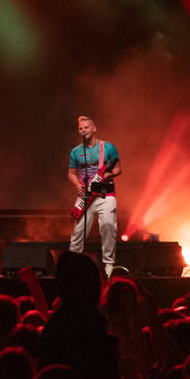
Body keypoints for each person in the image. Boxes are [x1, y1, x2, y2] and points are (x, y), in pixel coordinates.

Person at [67, 116, 121, 276]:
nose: (83, 130)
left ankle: (109, 265)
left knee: (108, 227)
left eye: (86, 127)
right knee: (78, 231)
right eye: (81, 128)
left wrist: (110, 174)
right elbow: (71, 173)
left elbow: (118, 168)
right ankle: (73, 264)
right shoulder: (76, 151)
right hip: (86, 196)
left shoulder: (108, 147)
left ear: (94, 128)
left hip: (106, 194)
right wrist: (77, 185)